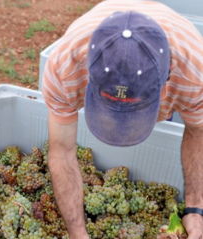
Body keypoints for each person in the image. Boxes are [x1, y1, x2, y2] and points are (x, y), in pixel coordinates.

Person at [42, 0, 203, 238]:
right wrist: (78, 233)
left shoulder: (194, 74)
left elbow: (197, 132)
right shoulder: (63, 67)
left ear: (168, 75)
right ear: (87, 71)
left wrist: (195, 209)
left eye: (137, 112)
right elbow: (61, 152)